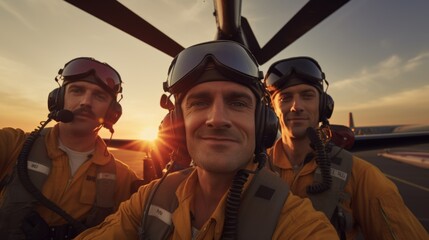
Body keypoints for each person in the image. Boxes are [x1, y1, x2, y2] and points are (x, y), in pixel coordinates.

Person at [75, 40, 339, 240]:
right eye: (199, 103)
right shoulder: (149, 199)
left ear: (261, 123)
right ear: (177, 123)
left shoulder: (298, 224)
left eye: (237, 102)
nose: (217, 118)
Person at [264, 56, 429, 239]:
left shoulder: (361, 176)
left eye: (307, 95)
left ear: (323, 105)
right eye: (285, 98)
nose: (297, 106)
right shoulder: (253, 169)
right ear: (272, 108)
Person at [0, 57, 140, 240]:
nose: (86, 102)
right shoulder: (13, 144)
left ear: (112, 112)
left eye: (99, 96)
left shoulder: (123, 178)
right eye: (77, 90)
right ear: (58, 99)